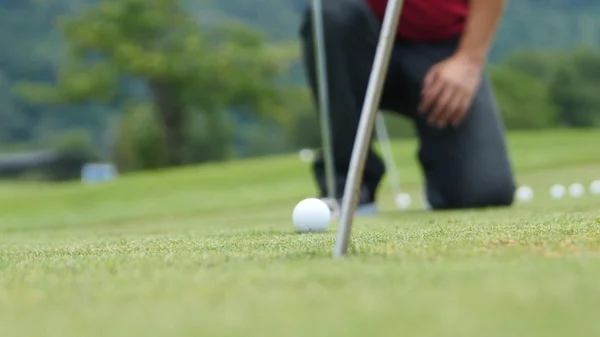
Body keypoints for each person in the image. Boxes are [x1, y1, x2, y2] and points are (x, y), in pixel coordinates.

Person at [300, 0, 516, 214]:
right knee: (332, 14)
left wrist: (469, 59)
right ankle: (347, 186)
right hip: (364, 41)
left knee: (483, 192)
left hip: (444, 53)